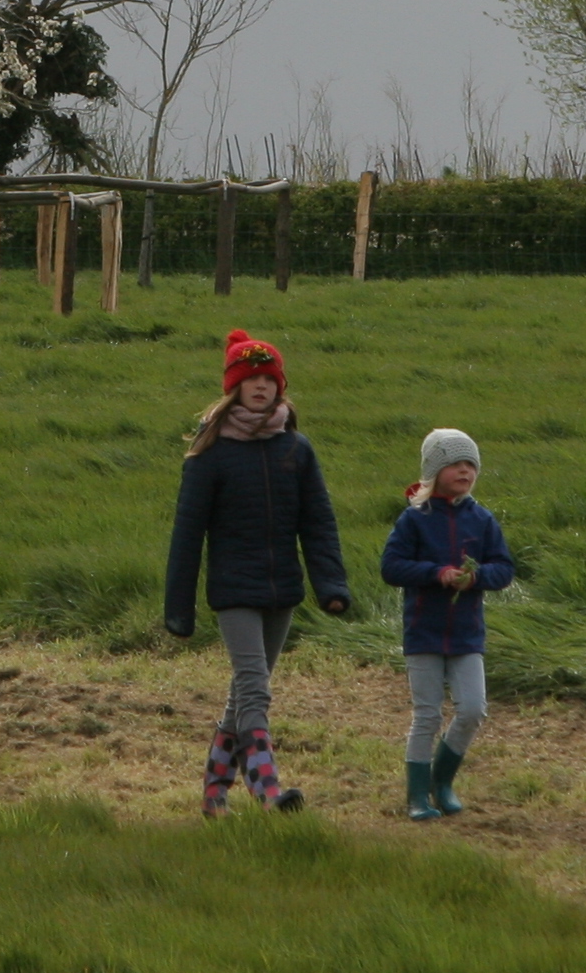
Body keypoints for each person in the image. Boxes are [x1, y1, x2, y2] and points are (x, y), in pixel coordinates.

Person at [161, 329, 350, 816]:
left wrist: (330, 585)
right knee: (256, 688)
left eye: (270, 378)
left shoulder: (297, 450)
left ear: (280, 386)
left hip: (282, 589)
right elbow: (186, 536)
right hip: (234, 591)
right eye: (252, 379)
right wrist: (178, 610)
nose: (262, 386)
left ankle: (213, 792)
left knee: (243, 693)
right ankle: (267, 790)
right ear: (234, 387)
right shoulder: (210, 455)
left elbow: (319, 522)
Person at [380, 429, 518, 820]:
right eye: (457, 463)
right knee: (427, 715)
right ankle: (417, 797)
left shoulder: (482, 519)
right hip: (423, 631)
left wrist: (476, 577)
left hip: (467, 634)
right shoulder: (413, 519)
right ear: (435, 469)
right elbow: (391, 567)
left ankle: (443, 781)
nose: (465, 470)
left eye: (471, 464)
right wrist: (435, 573)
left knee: (473, 709)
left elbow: (504, 569)